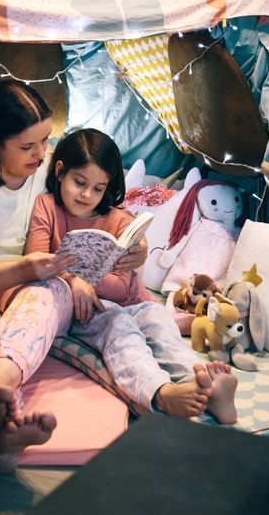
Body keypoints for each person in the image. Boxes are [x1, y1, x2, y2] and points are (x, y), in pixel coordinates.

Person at [0, 80, 147, 472]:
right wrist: (23, 267)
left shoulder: (50, 167)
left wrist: (130, 248)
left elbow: (98, 206)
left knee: (45, 296)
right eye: (26, 146)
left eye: (45, 141)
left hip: (32, 280)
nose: (40, 154)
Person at [25, 128, 238, 423]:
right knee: (121, 332)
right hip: (92, 310)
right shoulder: (47, 207)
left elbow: (122, 291)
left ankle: (205, 384)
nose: (87, 195)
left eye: (98, 189)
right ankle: (161, 391)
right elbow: (35, 260)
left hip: (133, 301)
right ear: (60, 171)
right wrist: (75, 281)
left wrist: (88, 277)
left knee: (161, 325)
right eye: (80, 183)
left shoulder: (121, 220)